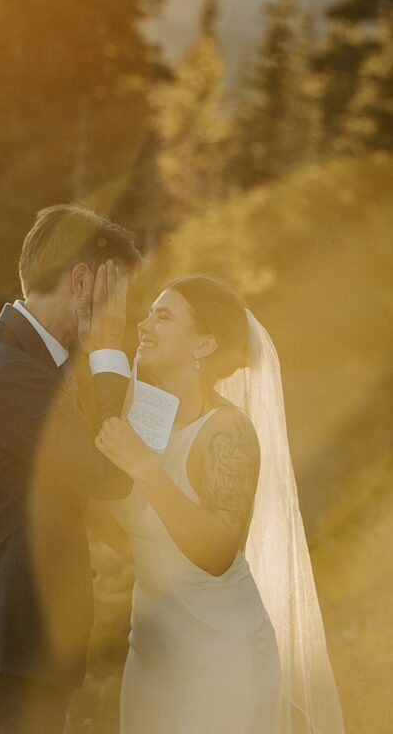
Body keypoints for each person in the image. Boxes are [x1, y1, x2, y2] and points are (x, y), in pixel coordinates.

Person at [95, 274, 345, 734]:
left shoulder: (227, 431)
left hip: (220, 655)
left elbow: (217, 553)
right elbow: (127, 528)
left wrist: (146, 468)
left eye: (163, 315)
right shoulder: (145, 413)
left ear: (204, 344)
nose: (144, 324)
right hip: (149, 655)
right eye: (148, 312)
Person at [0, 204, 141, 734]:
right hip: (9, 643)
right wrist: (109, 350)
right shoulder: (10, 373)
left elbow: (64, 487)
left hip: (21, 643)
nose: (119, 310)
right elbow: (107, 471)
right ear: (81, 281)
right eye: (114, 293)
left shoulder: (32, 363)